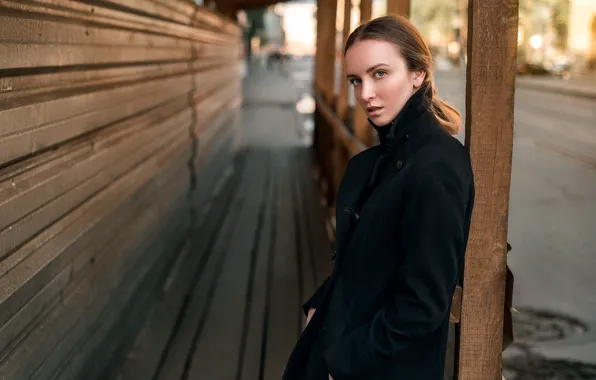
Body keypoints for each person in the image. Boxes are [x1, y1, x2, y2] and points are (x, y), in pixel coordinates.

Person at [282, 15, 475, 380]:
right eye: (356, 80)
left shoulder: (436, 167)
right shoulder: (384, 159)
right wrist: (321, 305)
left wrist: (341, 363)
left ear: (417, 74)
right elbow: (367, 260)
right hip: (342, 343)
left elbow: (423, 304)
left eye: (380, 74)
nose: (364, 94)